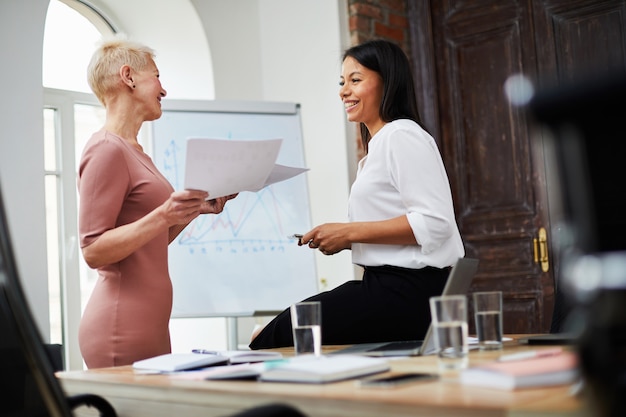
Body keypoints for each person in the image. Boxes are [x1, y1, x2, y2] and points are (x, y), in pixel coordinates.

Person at [249, 39, 464, 349]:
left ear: (386, 82)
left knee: (277, 335)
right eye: (342, 82)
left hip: (405, 293)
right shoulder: (378, 148)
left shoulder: (401, 135)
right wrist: (347, 239)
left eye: (355, 80)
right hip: (389, 288)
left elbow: (435, 224)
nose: (343, 91)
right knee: (276, 335)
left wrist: (348, 232)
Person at [77, 36, 236, 368]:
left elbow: (149, 241)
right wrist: (164, 213)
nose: (163, 90)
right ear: (128, 77)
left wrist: (193, 212)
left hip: (149, 322)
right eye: (157, 76)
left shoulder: (135, 152)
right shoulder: (106, 148)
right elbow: (93, 250)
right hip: (121, 324)